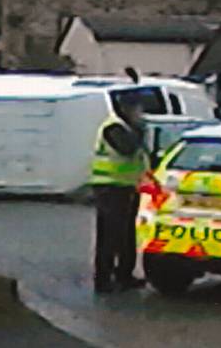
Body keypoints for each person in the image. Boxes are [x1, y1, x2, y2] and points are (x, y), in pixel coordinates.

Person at [90, 93, 149, 293]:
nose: (139, 113)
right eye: (137, 109)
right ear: (125, 109)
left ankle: (124, 275)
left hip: (127, 186)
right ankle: (103, 279)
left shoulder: (126, 127)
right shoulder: (113, 128)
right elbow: (127, 149)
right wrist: (139, 132)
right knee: (110, 235)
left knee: (126, 234)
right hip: (109, 187)